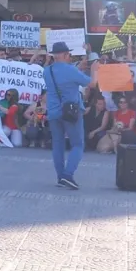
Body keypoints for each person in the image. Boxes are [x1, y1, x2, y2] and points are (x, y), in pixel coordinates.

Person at [43, 41, 97, 190]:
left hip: (54, 112)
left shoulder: (47, 71)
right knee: (78, 144)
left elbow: (64, 75)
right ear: (66, 55)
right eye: (69, 54)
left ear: (54, 55)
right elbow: (92, 84)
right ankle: (68, 175)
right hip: (71, 112)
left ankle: (60, 177)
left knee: (58, 145)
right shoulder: (70, 70)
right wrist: (94, 70)